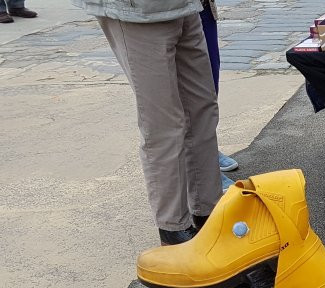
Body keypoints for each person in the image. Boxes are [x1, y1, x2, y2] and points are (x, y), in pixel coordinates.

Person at [72, 0, 223, 245]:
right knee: (164, 124)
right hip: (138, 12)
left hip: (186, 7)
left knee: (202, 109)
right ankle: (174, 228)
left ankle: (210, 211)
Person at [198, 0, 240, 183]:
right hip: (162, 14)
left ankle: (207, 149)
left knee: (209, 83)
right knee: (186, 93)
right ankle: (203, 168)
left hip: (201, 7)